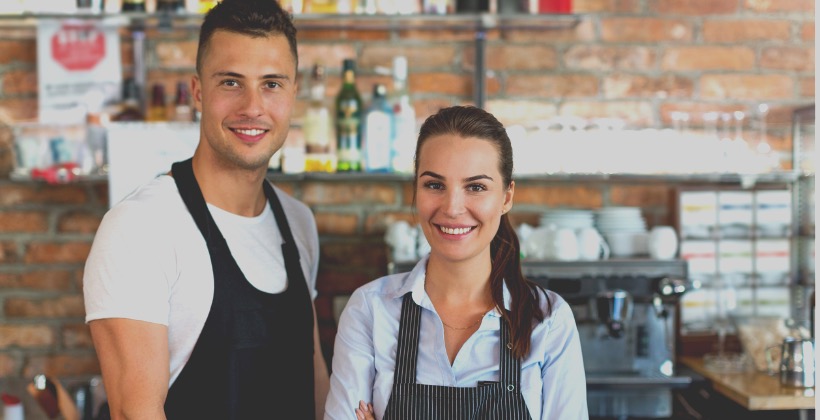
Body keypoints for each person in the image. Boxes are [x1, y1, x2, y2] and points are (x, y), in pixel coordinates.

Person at [83, 0, 329, 418]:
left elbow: (314, 379)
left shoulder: (298, 222)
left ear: (292, 93)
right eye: (231, 83)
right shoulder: (141, 228)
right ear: (198, 92)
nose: (253, 106)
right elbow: (134, 412)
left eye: (271, 84)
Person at [324, 106, 588, 420]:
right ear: (416, 190)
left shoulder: (549, 321)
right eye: (435, 185)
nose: (452, 208)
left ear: (506, 197)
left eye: (476, 187)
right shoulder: (370, 310)